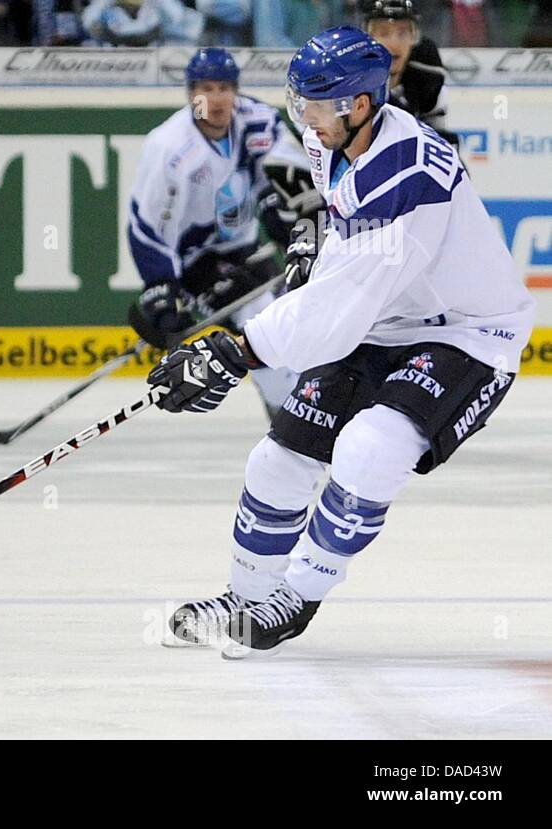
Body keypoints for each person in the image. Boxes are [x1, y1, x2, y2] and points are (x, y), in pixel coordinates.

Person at [149, 27, 534, 657]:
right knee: (275, 462)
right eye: (298, 102)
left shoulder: (404, 176)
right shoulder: (332, 130)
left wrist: (237, 352)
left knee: (368, 447)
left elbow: (339, 310)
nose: (303, 117)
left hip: (466, 334)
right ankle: (246, 594)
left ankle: (297, 595)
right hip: (387, 321)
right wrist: (320, 239)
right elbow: (344, 231)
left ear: (360, 105)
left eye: (316, 104)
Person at [125, 47, 310, 418]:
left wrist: (279, 209)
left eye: (225, 88)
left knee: (292, 326)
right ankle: (292, 420)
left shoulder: (257, 119)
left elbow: (292, 173)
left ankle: (293, 411)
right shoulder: (169, 148)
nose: (216, 99)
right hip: (196, 261)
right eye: (206, 89)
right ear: (190, 94)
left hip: (245, 248)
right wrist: (163, 289)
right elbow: (146, 228)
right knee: (263, 323)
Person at [361, 0, 458, 147]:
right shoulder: (352, 83)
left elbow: (439, 140)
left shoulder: (427, 72)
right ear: (368, 38)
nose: (394, 43)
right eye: (384, 33)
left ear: (414, 38)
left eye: (402, 33)